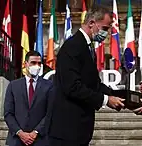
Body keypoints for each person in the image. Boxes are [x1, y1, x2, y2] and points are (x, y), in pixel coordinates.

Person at [48, 5, 125, 146]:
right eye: (105, 28)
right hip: (67, 130)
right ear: (91, 23)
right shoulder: (73, 46)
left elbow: (93, 84)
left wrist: (121, 96)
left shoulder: (87, 47)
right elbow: (72, 87)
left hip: (79, 130)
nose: (106, 34)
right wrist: (106, 100)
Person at [4, 51, 53, 146]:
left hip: (40, 141)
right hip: (16, 141)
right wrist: (20, 133)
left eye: (39, 63)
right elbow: (8, 113)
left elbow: (50, 112)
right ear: (25, 64)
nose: (37, 66)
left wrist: (35, 132)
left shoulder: (49, 86)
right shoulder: (13, 85)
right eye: (33, 63)